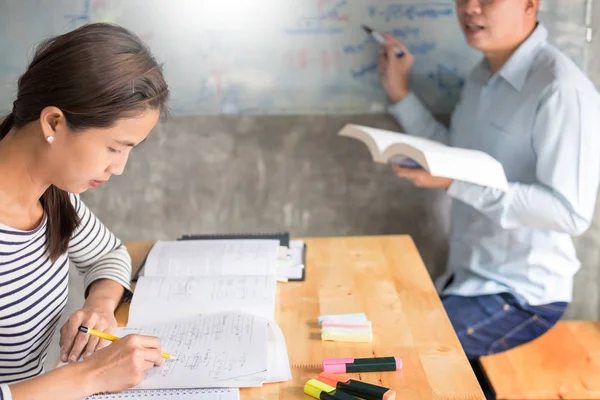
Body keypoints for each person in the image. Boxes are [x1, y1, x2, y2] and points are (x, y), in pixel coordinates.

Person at [378, 0, 600, 389]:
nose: (471, 8)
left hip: (522, 294)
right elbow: (455, 157)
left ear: (531, 4)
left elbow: (570, 213)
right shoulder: (482, 76)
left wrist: (453, 182)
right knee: (378, 336)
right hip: (466, 278)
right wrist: (400, 95)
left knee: (401, 361)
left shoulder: (561, 88)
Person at [0, 23, 170, 399]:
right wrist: (91, 376)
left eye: (129, 151)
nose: (119, 167)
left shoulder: (54, 198)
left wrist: (100, 306)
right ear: (54, 123)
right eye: (114, 148)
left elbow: (109, 255)